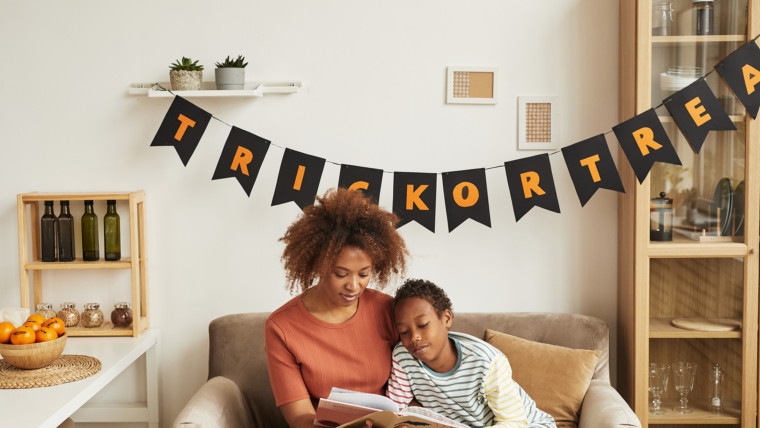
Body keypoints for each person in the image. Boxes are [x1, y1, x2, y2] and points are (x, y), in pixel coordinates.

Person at [265, 187, 409, 428]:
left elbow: (417, 380)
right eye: (341, 274)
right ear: (318, 266)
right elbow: (299, 418)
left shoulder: (386, 309)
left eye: (364, 274)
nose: (354, 286)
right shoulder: (282, 327)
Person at [386, 279, 556, 428]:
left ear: (446, 319)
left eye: (423, 325)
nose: (414, 337)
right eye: (403, 331)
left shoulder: (486, 362)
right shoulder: (403, 356)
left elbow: (515, 422)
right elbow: (394, 412)